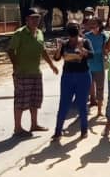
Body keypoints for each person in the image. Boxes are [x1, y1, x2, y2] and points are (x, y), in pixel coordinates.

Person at [8, 8, 58, 137]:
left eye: (37, 17)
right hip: (22, 72)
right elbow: (11, 50)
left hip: (36, 72)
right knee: (20, 100)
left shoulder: (40, 33)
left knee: (35, 99)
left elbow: (43, 51)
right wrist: (16, 66)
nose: (35, 20)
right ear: (27, 20)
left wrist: (51, 64)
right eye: (33, 18)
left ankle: (34, 124)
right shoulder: (19, 33)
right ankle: (17, 128)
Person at [52, 22, 93, 141]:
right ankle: (58, 131)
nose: (73, 35)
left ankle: (84, 130)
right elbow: (56, 58)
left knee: (82, 104)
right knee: (64, 104)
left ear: (79, 30)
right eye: (71, 31)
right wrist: (59, 48)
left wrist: (82, 50)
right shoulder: (64, 44)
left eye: (74, 31)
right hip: (68, 77)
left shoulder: (85, 42)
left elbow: (92, 55)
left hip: (83, 76)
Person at [84, 17, 108, 116]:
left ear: (99, 25)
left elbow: (105, 49)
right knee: (86, 88)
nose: (92, 26)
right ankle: (85, 109)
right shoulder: (86, 36)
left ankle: (99, 110)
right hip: (87, 66)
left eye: (94, 24)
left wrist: (105, 54)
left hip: (99, 66)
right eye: (91, 24)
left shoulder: (103, 36)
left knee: (100, 88)